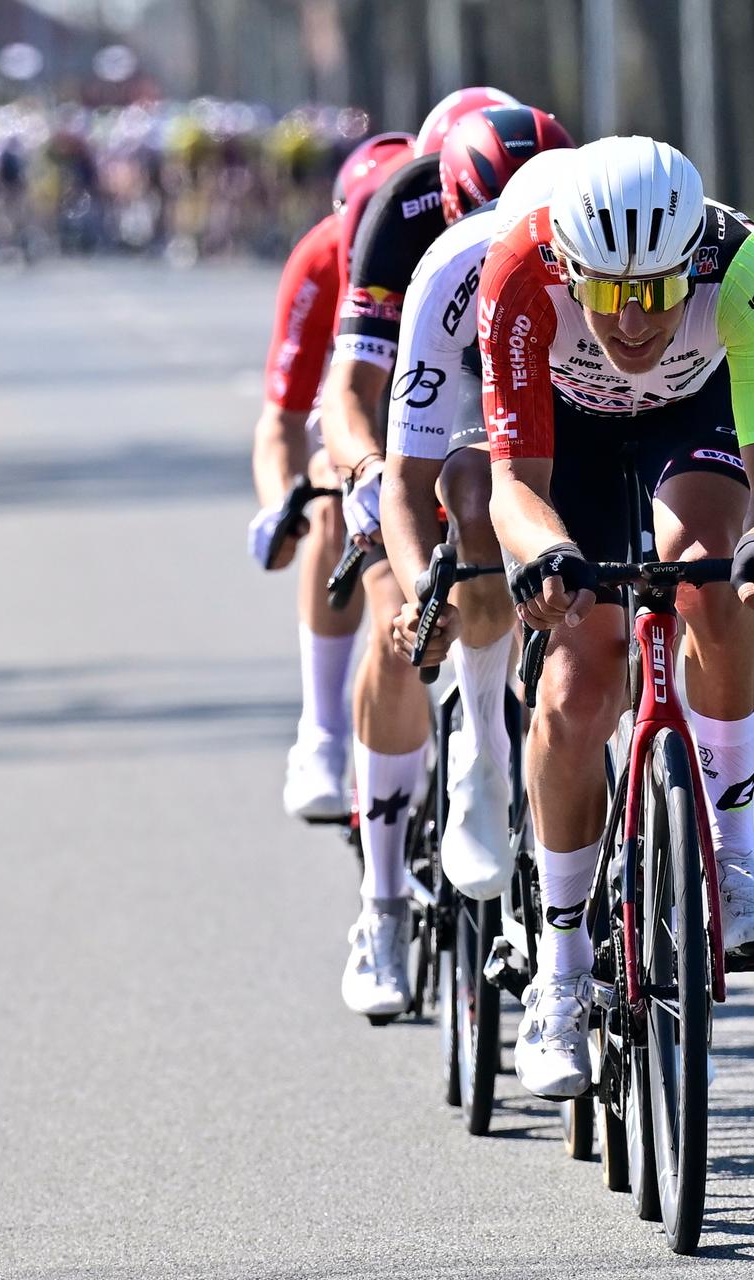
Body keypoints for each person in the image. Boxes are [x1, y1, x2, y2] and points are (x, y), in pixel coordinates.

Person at [475, 136, 754, 1098]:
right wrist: (548, 555)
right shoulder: (519, 273)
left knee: (713, 573)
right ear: (568, 267)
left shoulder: (743, 269)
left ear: (691, 265)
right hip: (566, 433)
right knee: (578, 679)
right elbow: (514, 486)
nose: (633, 321)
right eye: (610, 292)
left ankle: (736, 858)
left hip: (690, 418)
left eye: (659, 292)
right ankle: (560, 970)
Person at [319, 89, 561, 1020]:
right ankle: (381, 906)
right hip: (421, 402)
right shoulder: (403, 215)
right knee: (402, 625)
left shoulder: (578, 209)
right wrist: (368, 475)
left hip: (539, 379)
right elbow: (353, 390)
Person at [377, 108, 575, 902]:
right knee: (472, 494)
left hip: (587, 360)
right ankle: (482, 754)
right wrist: (421, 595)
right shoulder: (450, 265)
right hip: (472, 370)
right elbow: (403, 479)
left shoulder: (600, 239)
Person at [245, 131, 414, 822]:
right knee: (325, 487)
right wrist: (280, 505)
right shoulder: (319, 258)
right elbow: (282, 421)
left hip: (439, 410)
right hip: (359, 420)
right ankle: (320, 733)